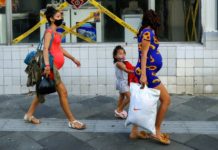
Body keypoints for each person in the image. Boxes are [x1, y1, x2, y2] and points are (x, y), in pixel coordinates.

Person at [24, 6, 86, 130]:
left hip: (54, 67)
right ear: (51, 19)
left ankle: (29, 115)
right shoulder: (49, 32)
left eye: (60, 16)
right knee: (63, 92)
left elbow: (59, 49)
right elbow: (46, 49)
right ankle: (72, 121)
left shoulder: (56, 33)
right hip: (51, 68)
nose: (60, 18)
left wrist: (73, 59)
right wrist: (47, 65)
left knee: (43, 91)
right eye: (58, 17)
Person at [130, 9, 171, 144]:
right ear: (154, 20)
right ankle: (156, 131)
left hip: (147, 71)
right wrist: (143, 75)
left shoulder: (147, 31)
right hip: (146, 72)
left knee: (142, 100)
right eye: (157, 18)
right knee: (166, 99)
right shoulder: (148, 32)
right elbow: (144, 54)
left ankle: (134, 131)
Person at [113, 45, 133, 119]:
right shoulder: (119, 63)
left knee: (121, 97)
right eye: (120, 54)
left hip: (121, 82)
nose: (123, 55)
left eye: (123, 53)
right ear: (115, 56)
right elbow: (127, 70)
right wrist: (135, 71)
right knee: (130, 98)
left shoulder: (122, 62)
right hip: (123, 83)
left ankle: (118, 111)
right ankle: (119, 110)